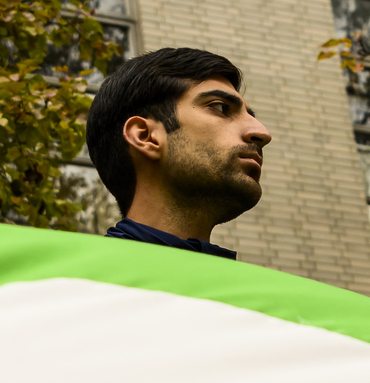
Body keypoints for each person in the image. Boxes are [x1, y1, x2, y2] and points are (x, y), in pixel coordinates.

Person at [85, 47, 271, 261]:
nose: (263, 133)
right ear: (145, 136)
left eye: (251, 115)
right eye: (220, 107)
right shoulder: (69, 286)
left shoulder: (258, 291)